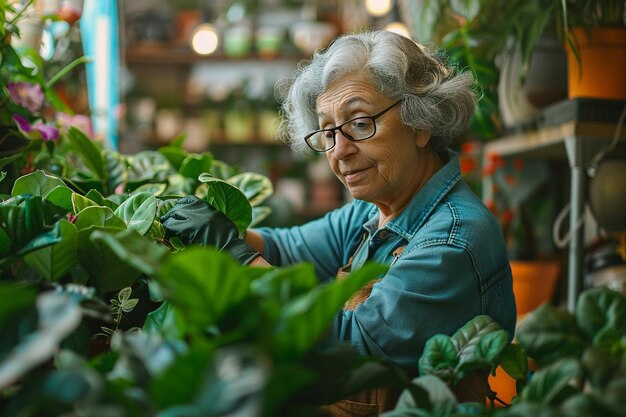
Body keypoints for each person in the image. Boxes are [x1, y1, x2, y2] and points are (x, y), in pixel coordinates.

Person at [161, 29, 516, 413]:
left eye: (360, 124)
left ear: (420, 123)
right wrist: (214, 230)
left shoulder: (452, 239)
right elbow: (285, 250)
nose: (340, 151)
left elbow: (354, 346)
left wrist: (234, 255)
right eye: (328, 131)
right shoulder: (374, 211)